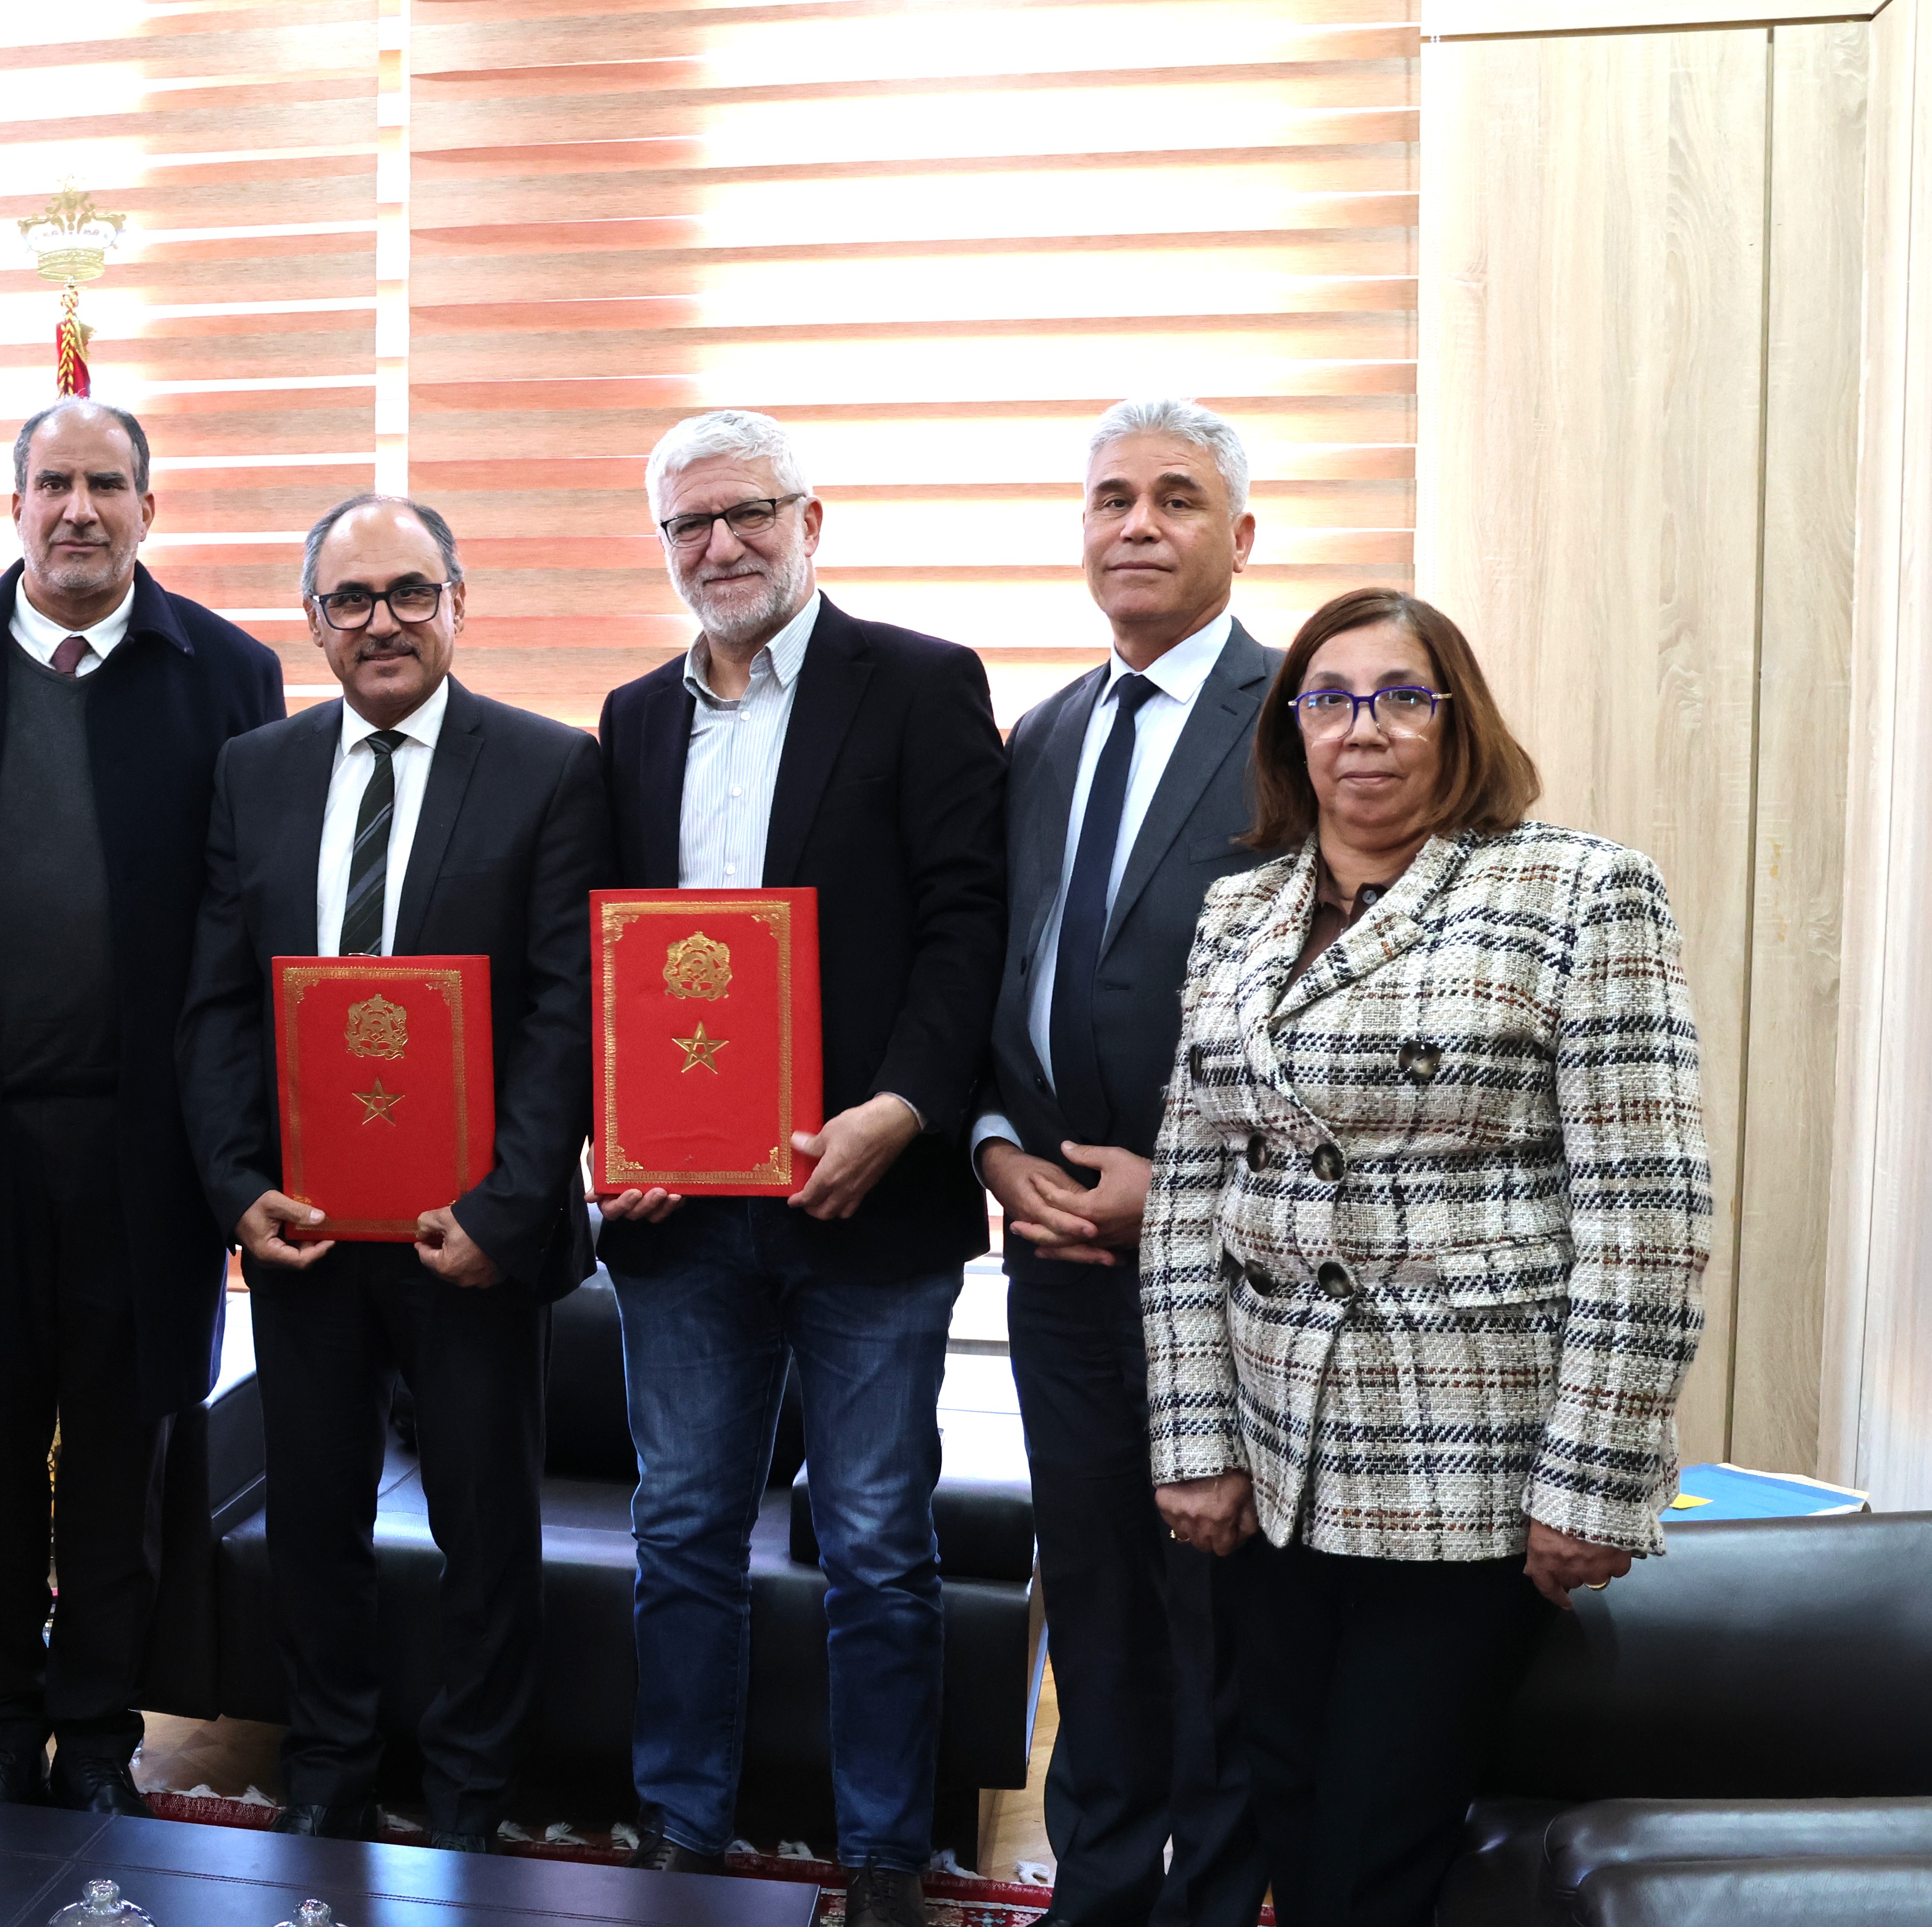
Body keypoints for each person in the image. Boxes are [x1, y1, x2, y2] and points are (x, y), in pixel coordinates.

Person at [1143, 588, 1711, 1927]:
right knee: (1287, 1796)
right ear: (1291, 733)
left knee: (1376, 1838)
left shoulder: (1577, 890)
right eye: (1329, 700)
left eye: (1404, 697)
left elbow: (1648, 1206)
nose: (1365, 732)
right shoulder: (1240, 910)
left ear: (1457, 722)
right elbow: (1187, 1196)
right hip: (1278, 1453)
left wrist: (1594, 1478)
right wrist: (1194, 1441)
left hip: (1469, 1463)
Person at [591, 408, 1008, 1925]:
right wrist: (609, 1139)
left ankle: (887, 1858)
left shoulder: (919, 684)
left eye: (748, 513)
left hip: (868, 1198)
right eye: (689, 525)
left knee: (883, 1543)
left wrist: (899, 1111)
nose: (721, 546)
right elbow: (611, 966)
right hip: (681, 1215)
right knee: (680, 1531)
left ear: (810, 519)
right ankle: (682, 1837)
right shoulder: (633, 717)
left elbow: (970, 925)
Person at [0, 398, 284, 1813]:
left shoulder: (226, 672)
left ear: (149, 509)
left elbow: (248, 939)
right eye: (56, 484)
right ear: (16, 504)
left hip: (148, 1156)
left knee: (124, 1454)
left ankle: (99, 1738)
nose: (81, 510)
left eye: (109, 484)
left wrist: (233, 1165)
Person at [175, 495, 612, 1853]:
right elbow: (217, 1006)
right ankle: (331, 1764)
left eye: (410, 594)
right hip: (304, 1228)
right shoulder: (256, 769)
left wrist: (507, 1208)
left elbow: (563, 1014)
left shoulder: (549, 766)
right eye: (351, 600)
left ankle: (475, 1786)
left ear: (459, 605)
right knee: (314, 1518)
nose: (383, 624)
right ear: (313, 622)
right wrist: (235, 1186)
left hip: (469, 1234)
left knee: (488, 1526)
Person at [969, 400, 1276, 1927]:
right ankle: (1095, 1890)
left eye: (1175, 498)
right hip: (1055, 1252)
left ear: (1240, 536)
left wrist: (1180, 1185)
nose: (1136, 524)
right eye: (1111, 499)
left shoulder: (1302, 723)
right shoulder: (1046, 734)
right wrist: (995, 1144)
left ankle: (1214, 1900)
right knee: (1085, 1584)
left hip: (1228, 1258)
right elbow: (1005, 964)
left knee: (1215, 1605)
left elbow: (1347, 1009)